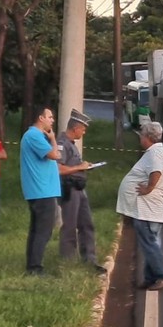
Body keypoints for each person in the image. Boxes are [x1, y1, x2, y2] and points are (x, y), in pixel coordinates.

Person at [117, 122, 163, 291]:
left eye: (141, 135)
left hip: (147, 209)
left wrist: (149, 188)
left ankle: (162, 275)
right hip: (151, 208)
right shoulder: (158, 152)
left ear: (148, 137)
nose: (140, 138)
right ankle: (151, 277)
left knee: (149, 243)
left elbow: (156, 172)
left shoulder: (154, 154)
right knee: (151, 243)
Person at [57, 109, 105, 274]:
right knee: (70, 226)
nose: (84, 132)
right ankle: (68, 262)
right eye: (83, 129)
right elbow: (58, 168)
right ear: (75, 128)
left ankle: (89, 260)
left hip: (79, 189)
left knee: (87, 224)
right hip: (69, 190)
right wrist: (80, 167)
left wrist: (85, 167)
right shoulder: (62, 144)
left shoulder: (72, 145)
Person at [20, 107, 61, 275]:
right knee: (43, 230)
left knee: (37, 229)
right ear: (40, 118)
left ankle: (32, 264)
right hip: (42, 190)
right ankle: (35, 267)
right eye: (50, 117)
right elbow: (54, 155)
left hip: (41, 190)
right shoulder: (35, 136)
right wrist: (52, 138)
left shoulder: (33, 136)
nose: (52, 120)